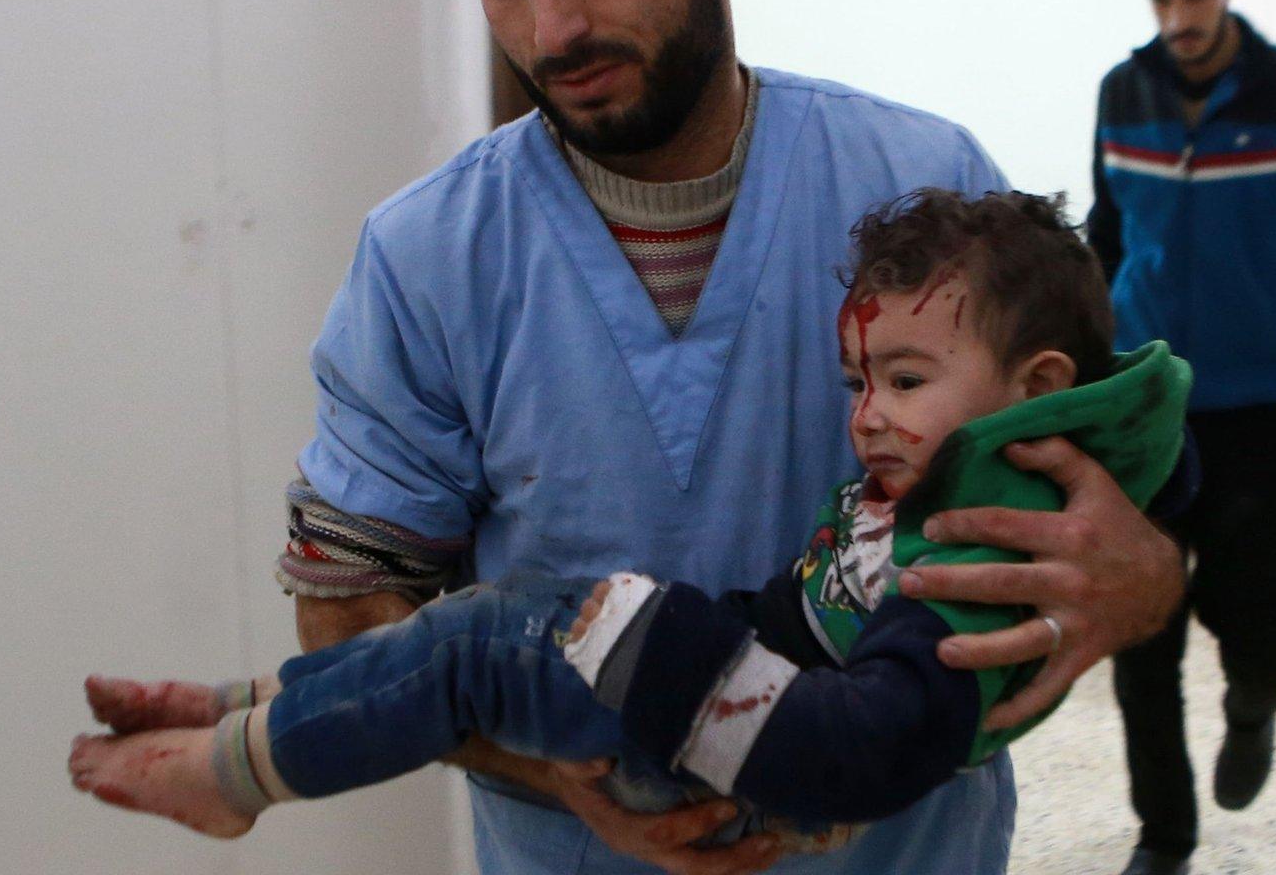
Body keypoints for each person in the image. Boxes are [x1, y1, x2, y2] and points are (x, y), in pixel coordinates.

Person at [262, 0, 1187, 872]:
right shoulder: (428, 256)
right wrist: (568, 770)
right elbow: (348, 619)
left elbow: (1100, 472)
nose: (549, 26)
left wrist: (1145, 574)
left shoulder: (923, 184)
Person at [68, 191, 1193, 851]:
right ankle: (247, 710)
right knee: (480, 640)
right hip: (717, 743)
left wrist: (658, 646)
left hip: (750, 779)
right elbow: (805, 621)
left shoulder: (982, 540)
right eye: (857, 386)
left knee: (486, 644)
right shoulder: (433, 241)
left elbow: (865, 748)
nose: (864, 420)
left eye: (901, 384)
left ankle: (239, 773)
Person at [1085, 0, 1276, 875]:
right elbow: (1107, 230)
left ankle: (1255, 695)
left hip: (1266, 402)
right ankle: (1163, 836)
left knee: (1256, 606)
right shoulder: (1121, 91)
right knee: (1138, 628)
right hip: (1145, 402)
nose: (1177, 17)